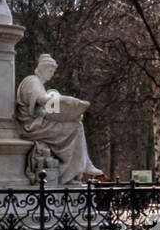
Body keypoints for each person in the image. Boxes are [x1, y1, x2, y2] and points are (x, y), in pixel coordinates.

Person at [16, 54, 102, 186]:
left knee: (76, 124)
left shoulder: (37, 83)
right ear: (43, 69)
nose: (52, 74)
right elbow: (41, 100)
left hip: (39, 122)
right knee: (75, 127)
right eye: (50, 71)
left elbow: (46, 109)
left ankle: (76, 169)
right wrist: (65, 101)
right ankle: (73, 171)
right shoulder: (32, 81)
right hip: (31, 126)